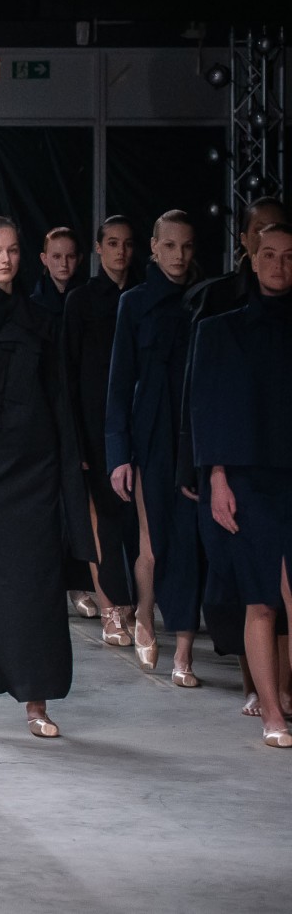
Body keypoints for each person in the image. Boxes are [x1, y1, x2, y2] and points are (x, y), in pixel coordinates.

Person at [0, 216, 95, 739]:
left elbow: (60, 403)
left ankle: (36, 704)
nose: (5, 259)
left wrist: (68, 476)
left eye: (12, 250)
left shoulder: (43, 322)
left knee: (39, 589)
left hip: (37, 476)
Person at [180, 196, 290, 716]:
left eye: (288, 256)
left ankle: (280, 696)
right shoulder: (220, 329)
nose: (279, 265)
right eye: (269, 255)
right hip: (247, 479)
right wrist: (215, 477)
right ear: (252, 257)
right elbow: (205, 409)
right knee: (261, 597)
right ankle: (270, 710)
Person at [106, 210, 204, 686]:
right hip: (150, 436)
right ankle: (145, 613)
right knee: (152, 542)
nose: (178, 256)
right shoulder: (134, 302)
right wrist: (118, 456)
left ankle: (184, 650)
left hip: (195, 435)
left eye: (186, 247)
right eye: (169, 246)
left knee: (188, 542)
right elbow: (119, 383)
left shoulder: (204, 300)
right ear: (153, 247)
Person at [62, 216, 139, 646]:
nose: (119, 251)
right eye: (112, 243)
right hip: (92, 428)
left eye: (126, 244)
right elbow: (69, 374)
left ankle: (133, 608)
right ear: (98, 248)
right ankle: (111, 610)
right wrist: (75, 441)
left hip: (135, 425)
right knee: (103, 522)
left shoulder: (141, 297)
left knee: (133, 525)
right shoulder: (82, 301)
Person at [31, 226, 82, 316]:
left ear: (79, 259)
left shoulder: (90, 300)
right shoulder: (31, 305)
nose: (64, 263)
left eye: (71, 256)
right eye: (57, 257)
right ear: (44, 259)